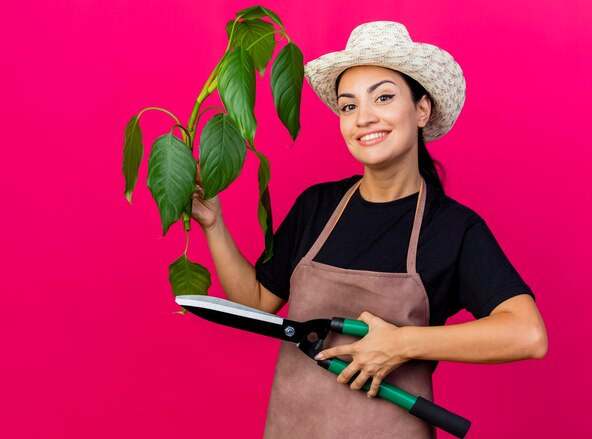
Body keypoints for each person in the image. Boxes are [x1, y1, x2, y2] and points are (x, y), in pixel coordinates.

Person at [190, 21, 548, 439]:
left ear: (421, 109)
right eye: (348, 106)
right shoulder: (317, 206)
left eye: (383, 97)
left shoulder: (451, 228)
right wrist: (213, 223)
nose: (364, 118)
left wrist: (402, 344)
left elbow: (527, 334)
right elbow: (254, 302)